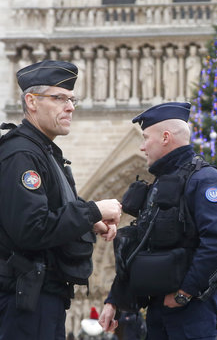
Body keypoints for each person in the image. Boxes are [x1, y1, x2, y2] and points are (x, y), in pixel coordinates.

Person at [0, 60, 122, 339]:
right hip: (25, 302)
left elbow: (49, 213)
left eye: (72, 99)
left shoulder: (43, 152)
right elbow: (31, 229)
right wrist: (91, 211)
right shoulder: (22, 155)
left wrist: (89, 223)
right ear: (31, 101)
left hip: (44, 297)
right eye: (59, 98)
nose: (70, 107)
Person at [99, 102, 217, 340]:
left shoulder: (204, 180)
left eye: (146, 138)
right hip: (158, 308)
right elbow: (139, 249)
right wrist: (114, 301)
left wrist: (185, 292)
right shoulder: (160, 185)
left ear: (165, 137)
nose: (142, 147)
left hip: (192, 311)